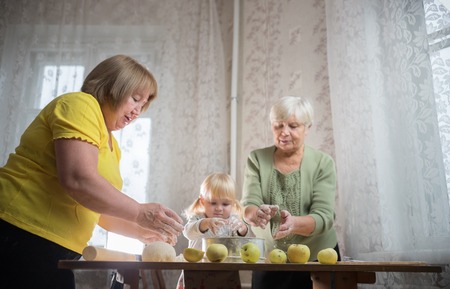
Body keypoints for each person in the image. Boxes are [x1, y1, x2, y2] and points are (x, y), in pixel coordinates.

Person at [0, 54, 184, 289]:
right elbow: (78, 180)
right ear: (111, 88)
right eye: (135, 98)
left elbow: (99, 210)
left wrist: (142, 231)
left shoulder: (112, 145)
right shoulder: (80, 104)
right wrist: (140, 212)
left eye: (143, 103)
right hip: (19, 233)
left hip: (57, 249)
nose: (138, 110)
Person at [241, 96, 340, 289]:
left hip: (317, 257)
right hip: (270, 257)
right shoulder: (256, 159)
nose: (284, 133)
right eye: (278, 126)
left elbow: (324, 216)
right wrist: (255, 215)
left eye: (293, 126)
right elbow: (248, 205)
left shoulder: (323, 163)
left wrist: (294, 224)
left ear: (307, 128)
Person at [176, 172, 254, 289]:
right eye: (213, 203)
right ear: (202, 201)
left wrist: (242, 230)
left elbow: (248, 245)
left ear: (233, 204)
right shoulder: (198, 218)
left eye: (225, 204)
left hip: (225, 274)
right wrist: (204, 223)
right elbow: (188, 232)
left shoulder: (233, 222)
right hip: (197, 272)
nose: (219, 208)